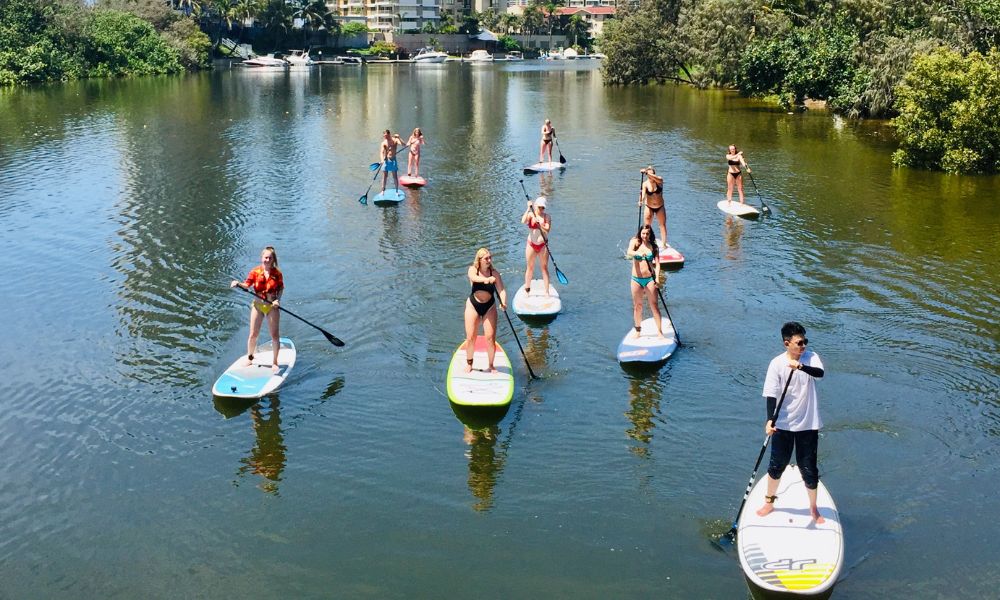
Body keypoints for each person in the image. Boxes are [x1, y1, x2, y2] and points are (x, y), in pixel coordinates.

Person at [756, 322, 827, 523]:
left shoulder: (811, 357)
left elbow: (820, 374)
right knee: (776, 465)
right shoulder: (776, 364)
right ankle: (769, 502)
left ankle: (813, 508)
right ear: (787, 343)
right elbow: (770, 394)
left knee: (809, 468)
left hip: (808, 424)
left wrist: (802, 366)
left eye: (805, 341)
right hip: (783, 424)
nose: (803, 345)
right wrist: (770, 420)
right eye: (799, 342)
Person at [230, 246, 284, 373]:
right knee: (253, 334)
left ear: (273, 260)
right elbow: (247, 285)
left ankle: (275, 362)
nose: (267, 260)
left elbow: (281, 288)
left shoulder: (277, 274)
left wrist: (278, 300)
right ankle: (250, 357)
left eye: (270, 258)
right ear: (262, 258)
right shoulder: (255, 272)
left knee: (274, 335)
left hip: (272, 307)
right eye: (265, 257)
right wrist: (237, 283)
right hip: (258, 306)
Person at [464, 248, 507, 374]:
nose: (489, 260)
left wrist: (503, 302)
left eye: (490, 257)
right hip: (473, 305)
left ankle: (491, 365)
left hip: (489, 306)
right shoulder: (473, 270)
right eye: (486, 258)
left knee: (490, 338)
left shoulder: (495, 273)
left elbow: (501, 290)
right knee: (471, 337)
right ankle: (469, 363)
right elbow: (473, 278)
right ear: (480, 260)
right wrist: (486, 280)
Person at [625, 225, 665, 339]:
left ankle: (660, 331)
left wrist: (657, 278)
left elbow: (657, 264)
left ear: (650, 234)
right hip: (636, 279)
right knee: (638, 306)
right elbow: (629, 252)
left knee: (654, 305)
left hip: (650, 280)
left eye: (647, 234)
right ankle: (638, 330)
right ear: (640, 233)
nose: (645, 236)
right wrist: (637, 253)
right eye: (643, 233)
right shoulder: (635, 242)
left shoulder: (653, 246)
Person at [521, 196, 551, 295]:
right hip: (531, 244)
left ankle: (546, 292)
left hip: (543, 245)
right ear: (535, 206)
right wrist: (528, 208)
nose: (541, 209)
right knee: (530, 267)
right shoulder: (530, 214)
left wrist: (540, 224)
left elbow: (547, 229)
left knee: (544, 267)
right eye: (539, 207)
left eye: (543, 208)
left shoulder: (547, 217)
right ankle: (527, 290)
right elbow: (523, 221)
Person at [640, 166, 668, 247]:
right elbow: (643, 194)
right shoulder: (645, 184)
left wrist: (646, 172)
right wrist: (641, 201)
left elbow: (656, 178)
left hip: (660, 206)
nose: (651, 176)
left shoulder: (659, 180)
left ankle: (664, 244)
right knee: (647, 226)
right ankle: (646, 243)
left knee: (662, 225)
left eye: (652, 174)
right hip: (649, 206)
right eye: (649, 174)